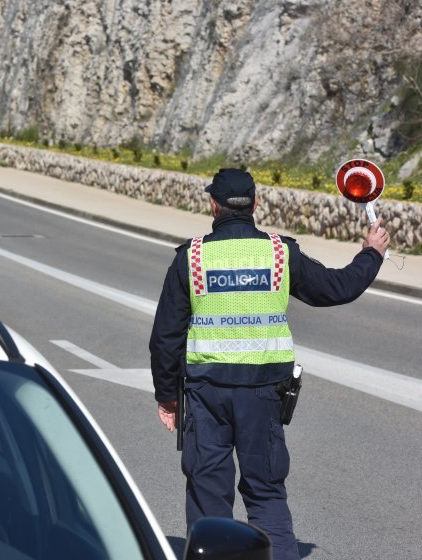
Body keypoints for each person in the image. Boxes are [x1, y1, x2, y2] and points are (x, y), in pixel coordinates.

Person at [149, 168, 389, 560]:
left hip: (207, 394)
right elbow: (337, 288)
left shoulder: (191, 258)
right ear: (256, 203)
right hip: (264, 395)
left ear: (213, 205)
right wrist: (372, 254)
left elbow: (166, 337)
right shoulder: (280, 252)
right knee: (265, 492)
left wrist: (167, 397)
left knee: (208, 490)